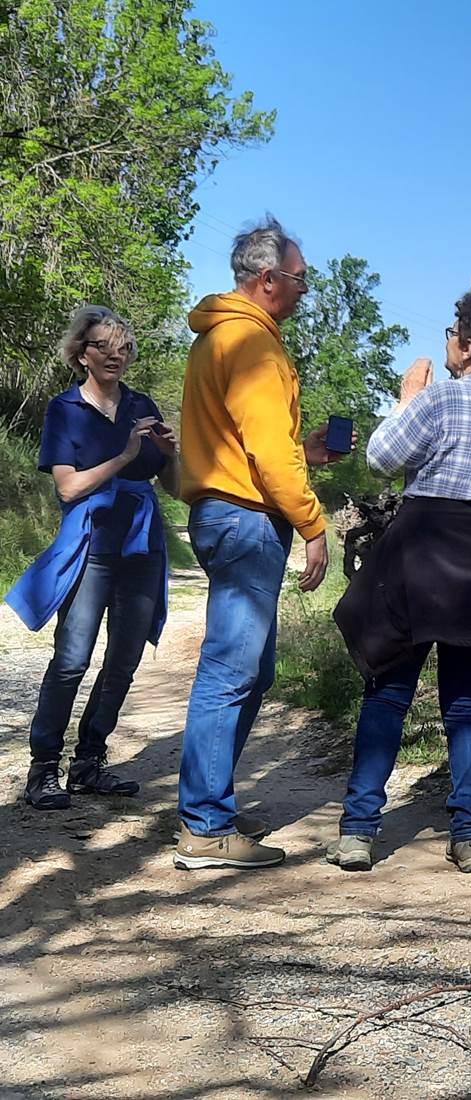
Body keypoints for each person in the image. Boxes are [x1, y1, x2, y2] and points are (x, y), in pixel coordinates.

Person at [328, 288, 471, 874]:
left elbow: (381, 459)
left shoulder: (439, 400)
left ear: (468, 345)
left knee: (387, 691)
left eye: (453, 333)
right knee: (466, 704)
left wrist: (406, 400)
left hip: (422, 552)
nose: (448, 341)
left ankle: (358, 830)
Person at [172, 217, 352, 871]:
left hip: (225, 511)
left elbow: (252, 442)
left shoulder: (220, 337)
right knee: (231, 669)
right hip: (246, 519)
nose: (305, 289)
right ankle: (205, 827)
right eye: (300, 279)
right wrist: (313, 524)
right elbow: (268, 456)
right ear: (268, 279)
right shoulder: (251, 343)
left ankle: (210, 803)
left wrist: (306, 451)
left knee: (253, 669)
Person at [6, 306, 178, 810]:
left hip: (142, 548)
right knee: (72, 660)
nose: (114, 355)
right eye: (102, 346)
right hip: (91, 548)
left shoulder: (143, 405)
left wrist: (172, 455)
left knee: (124, 661)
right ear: (82, 354)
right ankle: (43, 769)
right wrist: (124, 457)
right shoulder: (65, 409)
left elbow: (173, 486)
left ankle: (88, 762)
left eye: (122, 347)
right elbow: (67, 487)